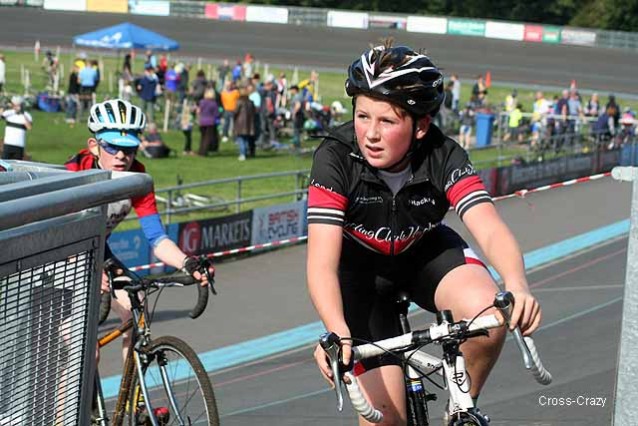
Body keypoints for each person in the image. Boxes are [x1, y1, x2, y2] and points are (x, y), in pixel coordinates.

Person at [308, 44, 541, 425]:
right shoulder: (334, 158)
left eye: (387, 121)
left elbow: (489, 227)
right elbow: (321, 261)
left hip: (424, 255)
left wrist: (517, 284)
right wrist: (337, 330)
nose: (371, 134)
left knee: (490, 310)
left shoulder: (443, 154)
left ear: (420, 126)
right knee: (386, 420)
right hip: (360, 276)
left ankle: (462, 406)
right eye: (362, 116)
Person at [65, 99, 214, 362]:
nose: (121, 156)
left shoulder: (138, 177)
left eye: (129, 148)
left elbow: (156, 238)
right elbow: (59, 235)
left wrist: (187, 263)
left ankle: (133, 388)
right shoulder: (74, 173)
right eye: (112, 147)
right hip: (56, 254)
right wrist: (86, 267)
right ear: (94, 146)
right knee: (86, 354)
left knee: (136, 307)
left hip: (97, 251)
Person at [233, 84, 256, 161]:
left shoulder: (239, 102)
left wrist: (234, 116)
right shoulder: (251, 102)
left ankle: (242, 154)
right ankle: (245, 152)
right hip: (249, 123)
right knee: (246, 139)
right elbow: (254, 112)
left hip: (240, 123)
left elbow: (235, 111)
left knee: (241, 139)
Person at [197, 88, 220, 155]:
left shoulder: (201, 102)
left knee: (203, 137)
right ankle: (204, 151)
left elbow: (199, 111)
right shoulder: (214, 103)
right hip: (210, 122)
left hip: (202, 121)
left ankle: (201, 150)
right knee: (208, 138)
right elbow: (216, 114)